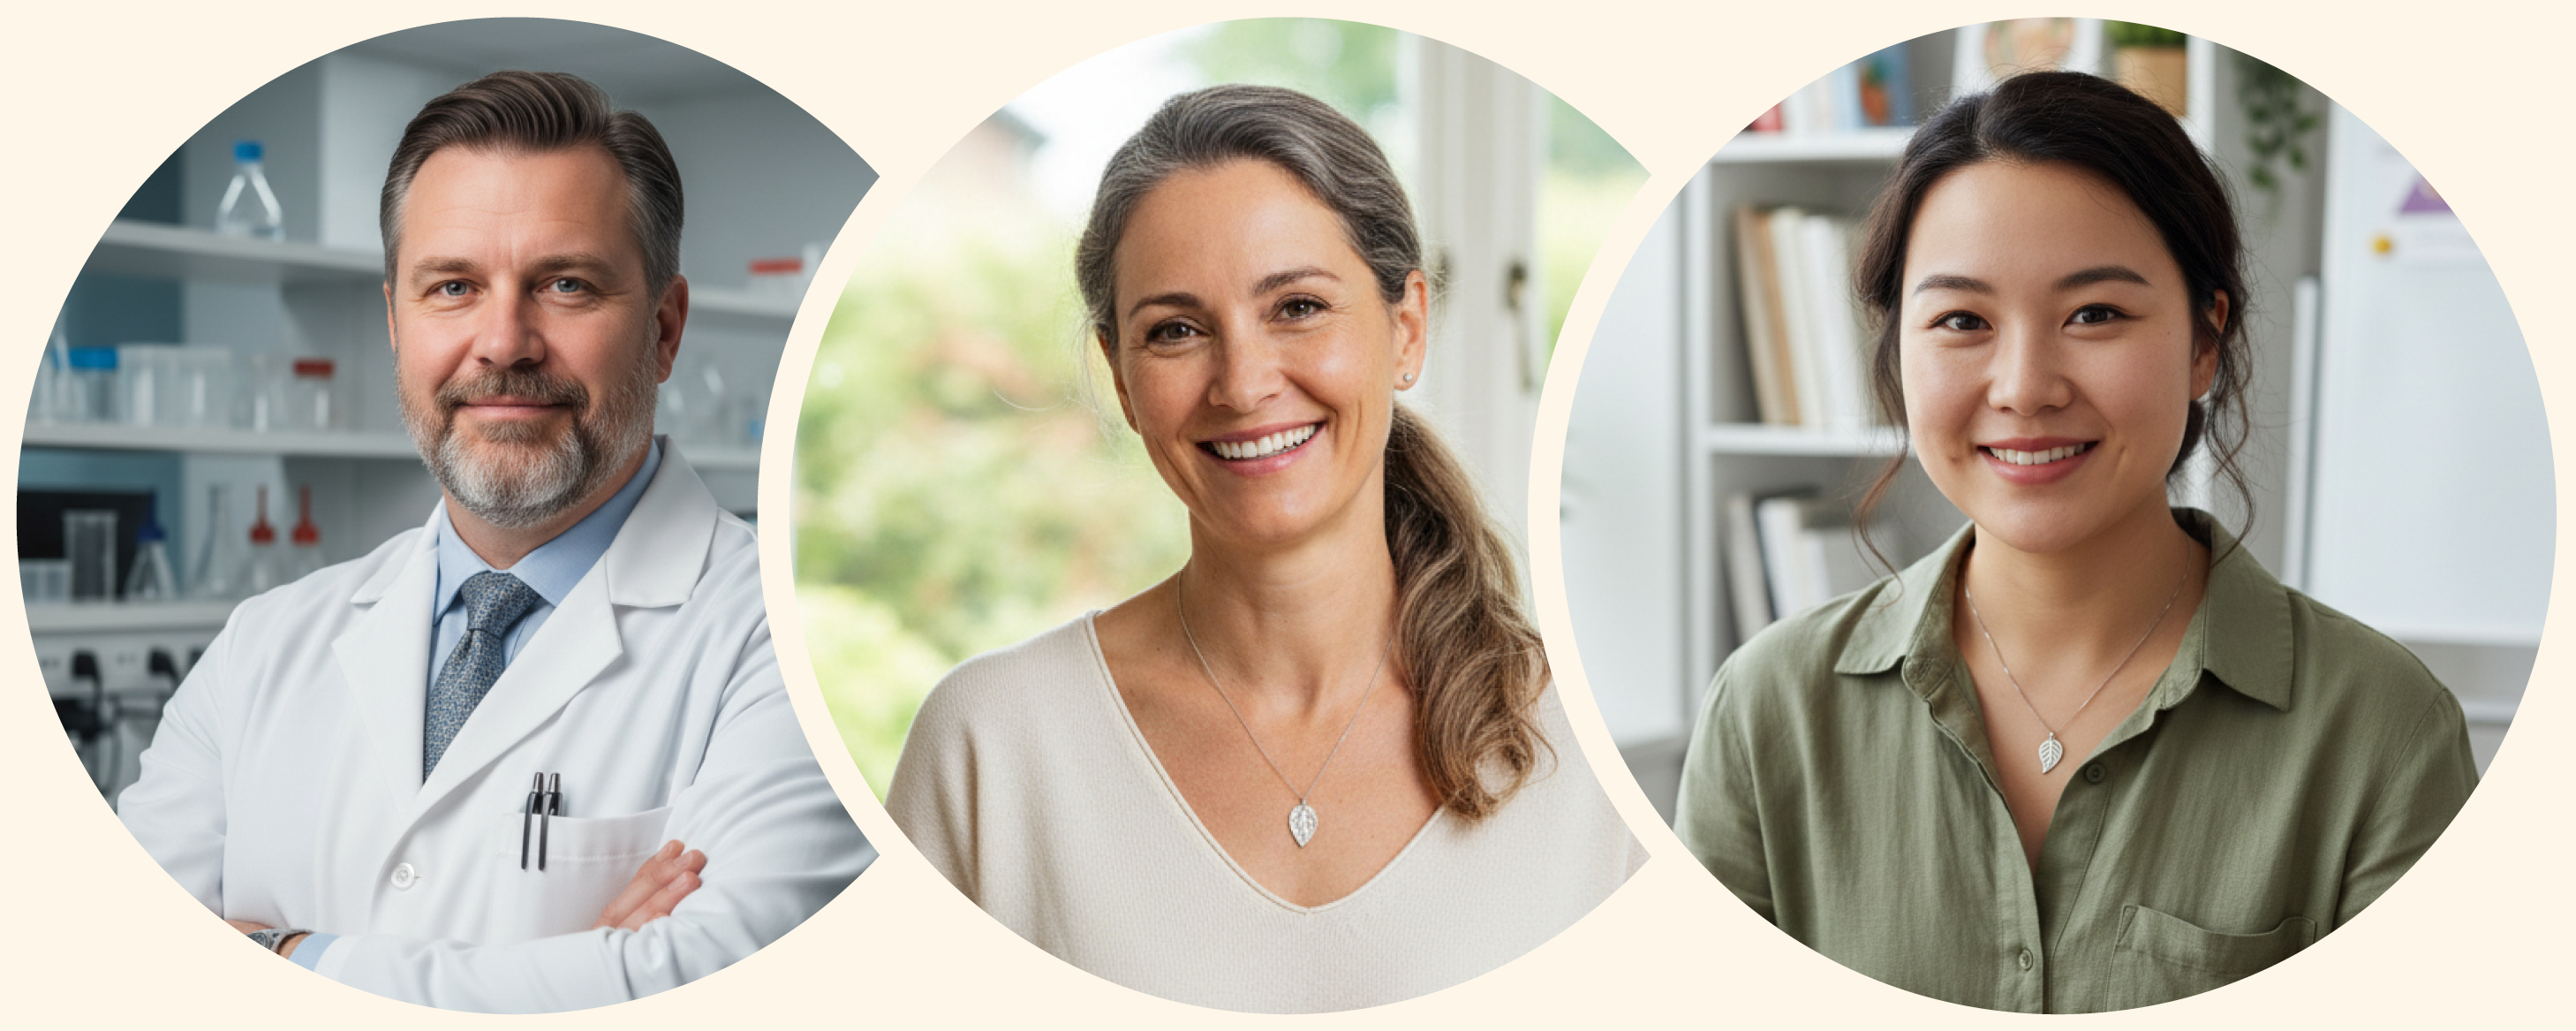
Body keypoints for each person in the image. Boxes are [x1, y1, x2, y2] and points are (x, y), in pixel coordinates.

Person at [1673, 71, 2478, 1014]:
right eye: (1962, 321)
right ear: (1898, 351)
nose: (2024, 385)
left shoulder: (2382, 731)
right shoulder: (1768, 710)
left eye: (2094, 313)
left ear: (2203, 343)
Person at [114, 71, 872, 1013]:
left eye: (566, 284)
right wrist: (585, 968)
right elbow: (115, 965)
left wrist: (283, 953)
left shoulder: (802, 641)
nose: (504, 342)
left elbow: (725, 980)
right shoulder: (264, 645)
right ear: (396, 322)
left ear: (665, 331)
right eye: (454, 287)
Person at [884, 84, 1643, 1013]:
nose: (1242, 384)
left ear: (1405, 327)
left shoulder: (1585, 749)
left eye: (1296, 308)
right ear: (1122, 380)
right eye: (1175, 331)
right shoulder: (992, 746)